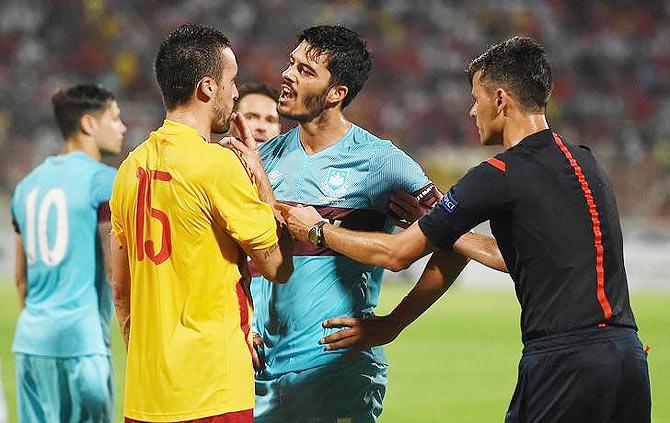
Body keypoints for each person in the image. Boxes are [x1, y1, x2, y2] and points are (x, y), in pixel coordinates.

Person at [278, 36, 651, 423]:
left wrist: (318, 230)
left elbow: (396, 255)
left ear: (501, 100)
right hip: (627, 358)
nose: (473, 111)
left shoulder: (498, 174)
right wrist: (443, 225)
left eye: (477, 98)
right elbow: (515, 259)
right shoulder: (586, 162)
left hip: (564, 363)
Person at [239, 25, 504, 423]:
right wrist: (238, 321)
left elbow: (454, 246)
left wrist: (392, 325)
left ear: (336, 93)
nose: (288, 75)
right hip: (263, 373)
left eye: (306, 70)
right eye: (291, 63)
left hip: (337, 370)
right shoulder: (267, 158)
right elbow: (235, 255)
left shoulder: (380, 161)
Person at [108, 24, 293, 423]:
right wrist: (258, 173)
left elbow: (121, 294)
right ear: (208, 88)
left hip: (146, 396)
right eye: (232, 81)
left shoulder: (128, 169)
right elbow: (277, 266)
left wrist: (151, 369)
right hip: (213, 390)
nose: (236, 92)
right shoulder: (217, 164)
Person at [11, 84, 126, 422]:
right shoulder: (105, 181)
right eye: (115, 118)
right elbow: (114, 270)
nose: (123, 127)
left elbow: (21, 280)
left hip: (31, 344)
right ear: (89, 124)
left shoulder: (26, 186)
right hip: (81, 343)